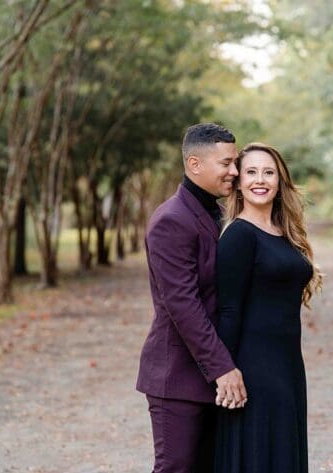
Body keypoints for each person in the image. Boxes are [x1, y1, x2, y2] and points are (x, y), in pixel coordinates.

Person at [136, 123, 248, 473]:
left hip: (210, 378)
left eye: (235, 163)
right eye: (226, 163)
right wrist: (223, 369)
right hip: (178, 379)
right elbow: (183, 305)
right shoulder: (172, 221)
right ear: (195, 164)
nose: (235, 171)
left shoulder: (219, 214)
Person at [213, 143, 323, 473]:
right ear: (239, 182)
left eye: (268, 172)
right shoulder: (239, 236)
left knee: (283, 455)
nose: (260, 180)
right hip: (253, 368)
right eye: (251, 172)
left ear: (279, 181)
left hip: (288, 364)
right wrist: (224, 373)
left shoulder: (284, 233)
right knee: (259, 456)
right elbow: (229, 310)